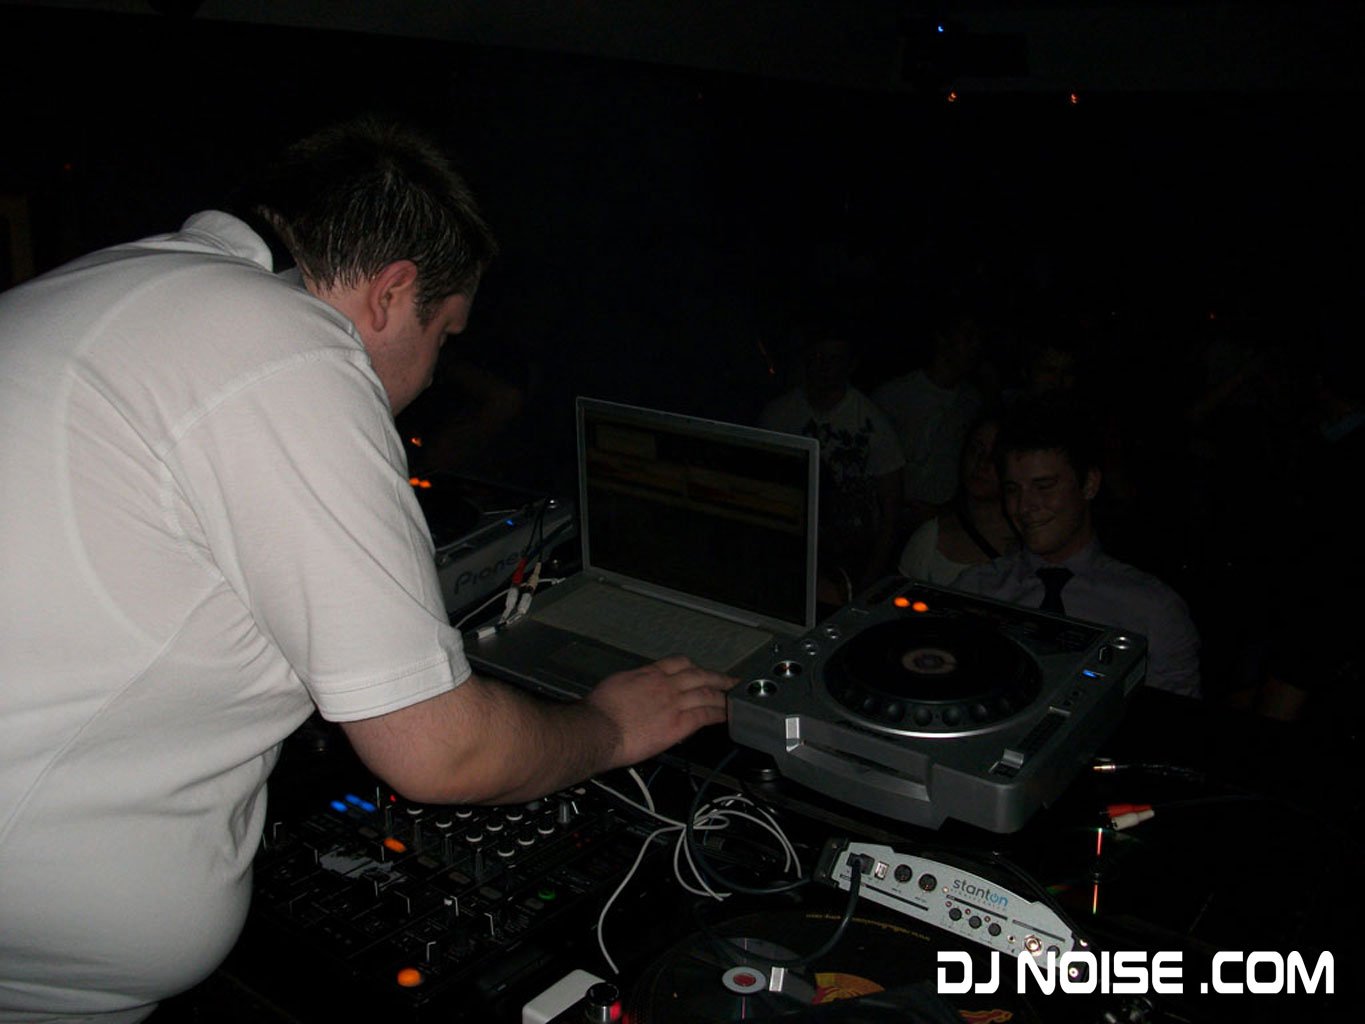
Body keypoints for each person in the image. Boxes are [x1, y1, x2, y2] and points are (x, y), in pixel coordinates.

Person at [0, 117, 734, 1024]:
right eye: (445, 335)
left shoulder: (112, 284)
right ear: (391, 292)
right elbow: (442, 751)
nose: (428, 378)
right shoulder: (286, 345)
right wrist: (610, 728)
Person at [952, 400, 1201, 698]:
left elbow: (1175, 719)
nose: (1025, 506)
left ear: (1089, 484)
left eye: (1044, 486)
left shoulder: (1152, 609)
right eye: (1013, 490)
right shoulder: (976, 592)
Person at [759, 331, 904, 604]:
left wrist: (870, 581)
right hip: (789, 544)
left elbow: (891, 510)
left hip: (850, 553)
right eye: (818, 357)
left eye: (835, 359)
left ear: (851, 365)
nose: (825, 366)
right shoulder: (777, 415)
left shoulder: (874, 424)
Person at [872, 302, 985, 528]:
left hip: (946, 525)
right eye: (968, 336)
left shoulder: (973, 403)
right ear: (942, 339)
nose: (976, 346)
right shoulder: (893, 397)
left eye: (979, 339)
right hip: (891, 524)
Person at [897, 412, 1018, 586]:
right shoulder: (929, 539)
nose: (981, 463)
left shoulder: (1031, 540)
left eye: (995, 457)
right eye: (975, 450)